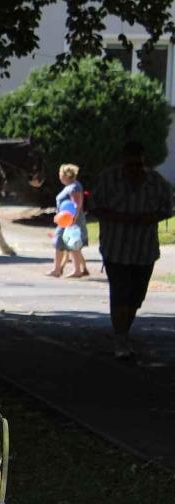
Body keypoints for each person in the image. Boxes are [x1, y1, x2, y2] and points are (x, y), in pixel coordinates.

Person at [90, 140, 172, 359]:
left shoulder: (155, 182)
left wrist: (150, 218)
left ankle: (124, 331)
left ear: (144, 162)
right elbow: (94, 207)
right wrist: (119, 218)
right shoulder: (108, 180)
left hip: (144, 250)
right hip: (116, 248)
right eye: (130, 165)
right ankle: (120, 338)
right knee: (120, 292)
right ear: (122, 162)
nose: (134, 169)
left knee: (136, 296)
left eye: (138, 165)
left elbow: (167, 208)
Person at [47, 163, 88, 278]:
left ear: (66, 175)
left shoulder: (74, 187)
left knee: (59, 243)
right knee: (72, 245)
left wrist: (72, 220)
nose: (59, 176)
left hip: (70, 221)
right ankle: (76, 270)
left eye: (60, 174)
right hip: (65, 220)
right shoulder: (70, 186)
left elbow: (77, 204)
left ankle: (57, 270)